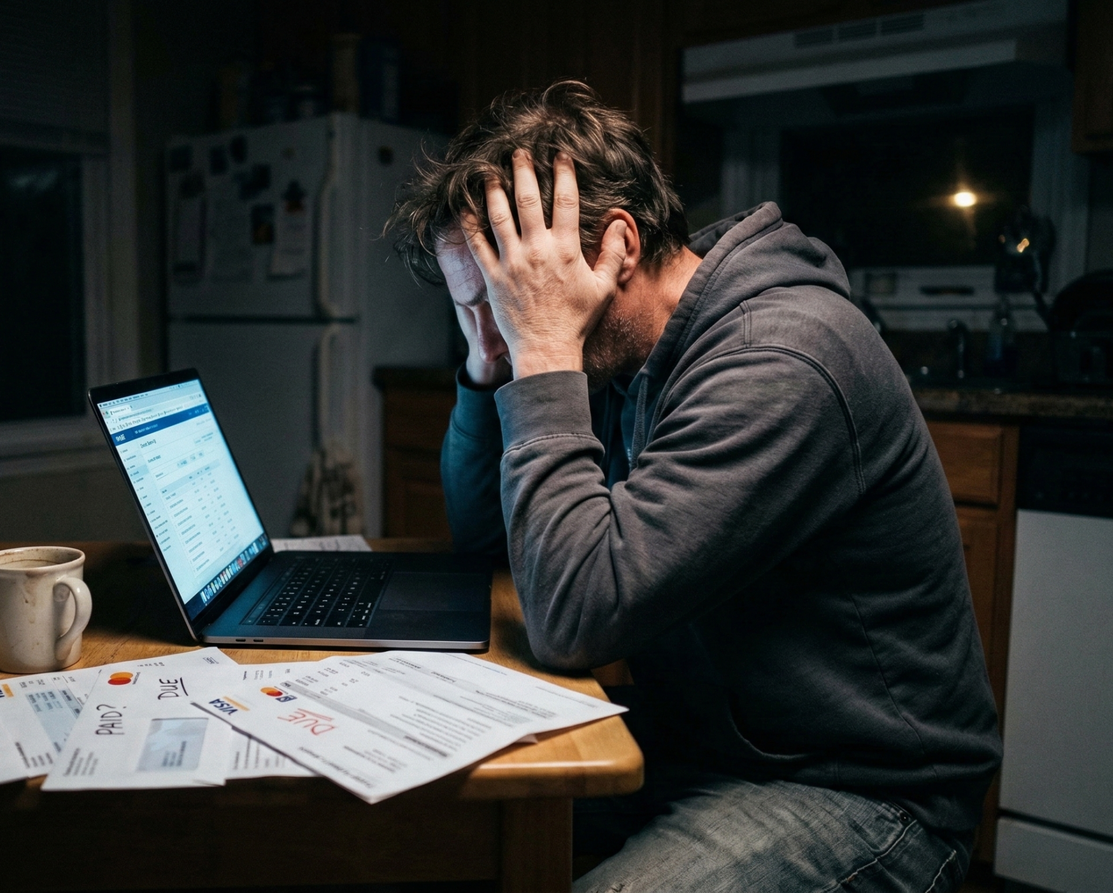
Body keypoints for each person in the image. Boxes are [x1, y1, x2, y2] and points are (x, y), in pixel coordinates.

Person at [386, 81, 1000, 893]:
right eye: (478, 306)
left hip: (864, 793)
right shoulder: (614, 348)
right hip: (706, 743)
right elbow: (488, 540)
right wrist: (487, 367)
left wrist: (543, 354)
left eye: (507, 302)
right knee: (408, 824)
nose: (504, 331)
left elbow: (574, 617)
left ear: (617, 248)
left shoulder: (780, 360)